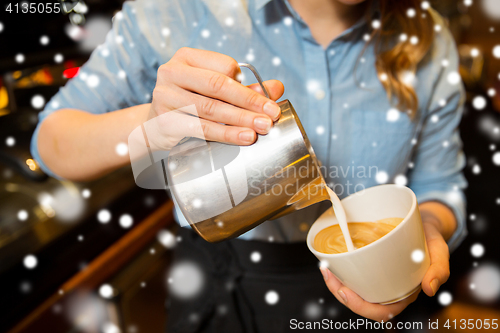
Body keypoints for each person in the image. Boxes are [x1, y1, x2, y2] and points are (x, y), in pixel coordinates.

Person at [31, 0, 467, 331]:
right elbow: (51, 143)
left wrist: (421, 242)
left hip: (380, 283)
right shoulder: (177, 10)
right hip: (229, 288)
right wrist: (149, 123)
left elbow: (439, 185)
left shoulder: (428, 37)